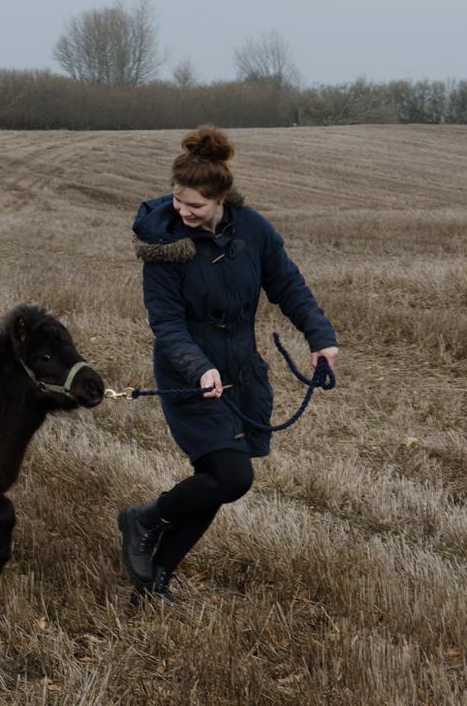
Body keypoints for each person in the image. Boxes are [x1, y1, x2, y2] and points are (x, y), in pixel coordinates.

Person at [119, 124, 338, 603]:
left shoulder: (253, 229)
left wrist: (320, 337)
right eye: (178, 202)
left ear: (221, 198)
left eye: (195, 206)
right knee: (231, 476)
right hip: (189, 374)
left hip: (241, 371)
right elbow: (167, 324)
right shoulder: (163, 247)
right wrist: (198, 368)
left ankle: (153, 582)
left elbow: (288, 285)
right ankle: (146, 518)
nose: (184, 212)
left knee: (218, 481)